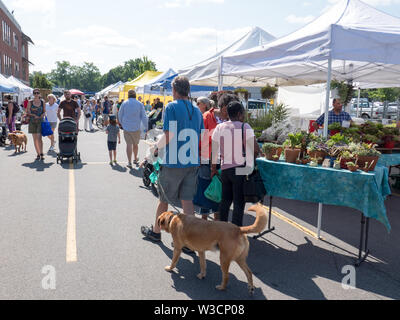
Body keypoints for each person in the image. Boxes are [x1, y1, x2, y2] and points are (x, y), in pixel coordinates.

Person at [141, 76, 204, 246]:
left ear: (175, 90)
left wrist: (155, 148)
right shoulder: (197, 110)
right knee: (187, 202)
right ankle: (190, 241)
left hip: (174, 161)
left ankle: (156, 231)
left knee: (163, 200)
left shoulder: (171, 107)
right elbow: (202, 137)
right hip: (192, 160)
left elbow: (169, 135)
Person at [211, 101, 261, 227]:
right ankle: (235, 232)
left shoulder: (220, 127)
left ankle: (221, 231)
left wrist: (213, 168)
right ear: (239, 114)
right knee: (239, 202)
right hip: (240, 169)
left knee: (225, 201)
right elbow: (255, 149)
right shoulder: (245, 127)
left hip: (225, 169)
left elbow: (214, 150)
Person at [193, 97, 220, 221]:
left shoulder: (206, 116)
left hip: (209, 157)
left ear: (204, 105)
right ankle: (215, 221)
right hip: (215, 157)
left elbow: (203, 138)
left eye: (198, 103)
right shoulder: (215, 117)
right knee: (215, 188)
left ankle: (205, 222)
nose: (197, 105)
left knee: (206, 188)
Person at [118, 90, 148, 168]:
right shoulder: (140, 104)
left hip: (127, 127)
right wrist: (146, 126)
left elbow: (120, 114)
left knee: (128, 144)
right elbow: (144, 117)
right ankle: (135, 158)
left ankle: (129, 162)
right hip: (136, 127)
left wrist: (122, 124)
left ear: (128, 95)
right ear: (135, 95)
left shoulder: (124, 103)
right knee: (135, 144)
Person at [26, 89, 46, 161]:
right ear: (33, 94)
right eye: (35, 93)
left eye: (38, 93)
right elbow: (27, 111)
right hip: (32, 121)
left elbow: (44, 111)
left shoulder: (42, 102)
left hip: (40, 121)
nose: (36, 94)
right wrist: (33, 115)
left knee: (39, 138)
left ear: (39, 94)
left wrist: (41, 116)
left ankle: (41, 153)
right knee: (35, 139)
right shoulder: (30, 102)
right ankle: (38, 153)